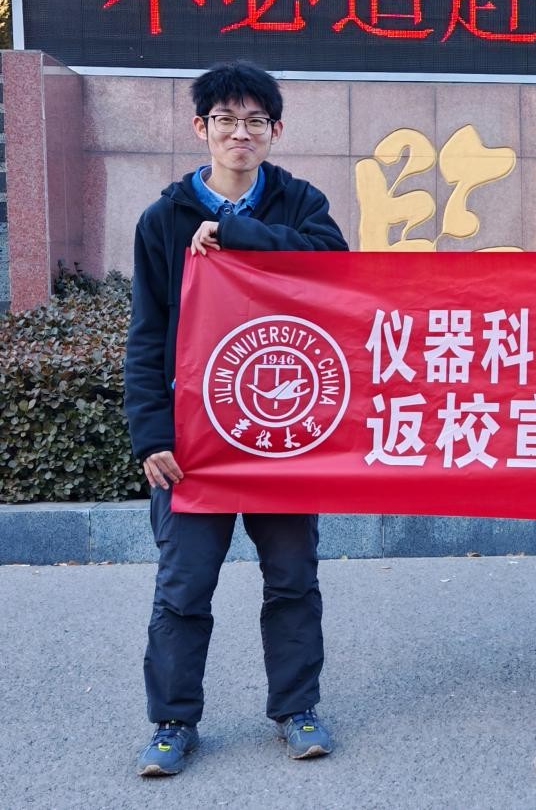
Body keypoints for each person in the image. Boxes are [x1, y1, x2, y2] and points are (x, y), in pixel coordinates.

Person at [124, 61, 348, 776]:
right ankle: (172, 723)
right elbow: (147, 335)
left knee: (292, 580)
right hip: (195, 443)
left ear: (274, 130)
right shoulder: (162, 220)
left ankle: (297, 708)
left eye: (255, 121)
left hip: (284, 434)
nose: (240, 133)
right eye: (225, 120)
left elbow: (335, 269)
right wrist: (151, 436)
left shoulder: (300, 203)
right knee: (183, 588)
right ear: (202, 128)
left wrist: (240, 233)